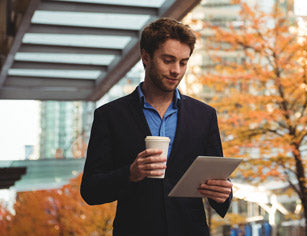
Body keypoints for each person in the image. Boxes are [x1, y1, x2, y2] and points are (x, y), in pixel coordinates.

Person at [80, 17, 233, 236]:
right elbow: (91, 191)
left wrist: (223, 193)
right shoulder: (110, 116)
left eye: (183, 62)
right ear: (146, 58)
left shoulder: (204, 116)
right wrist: (130, 174)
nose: (176, 70)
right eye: (168, 60)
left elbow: (218, 187)